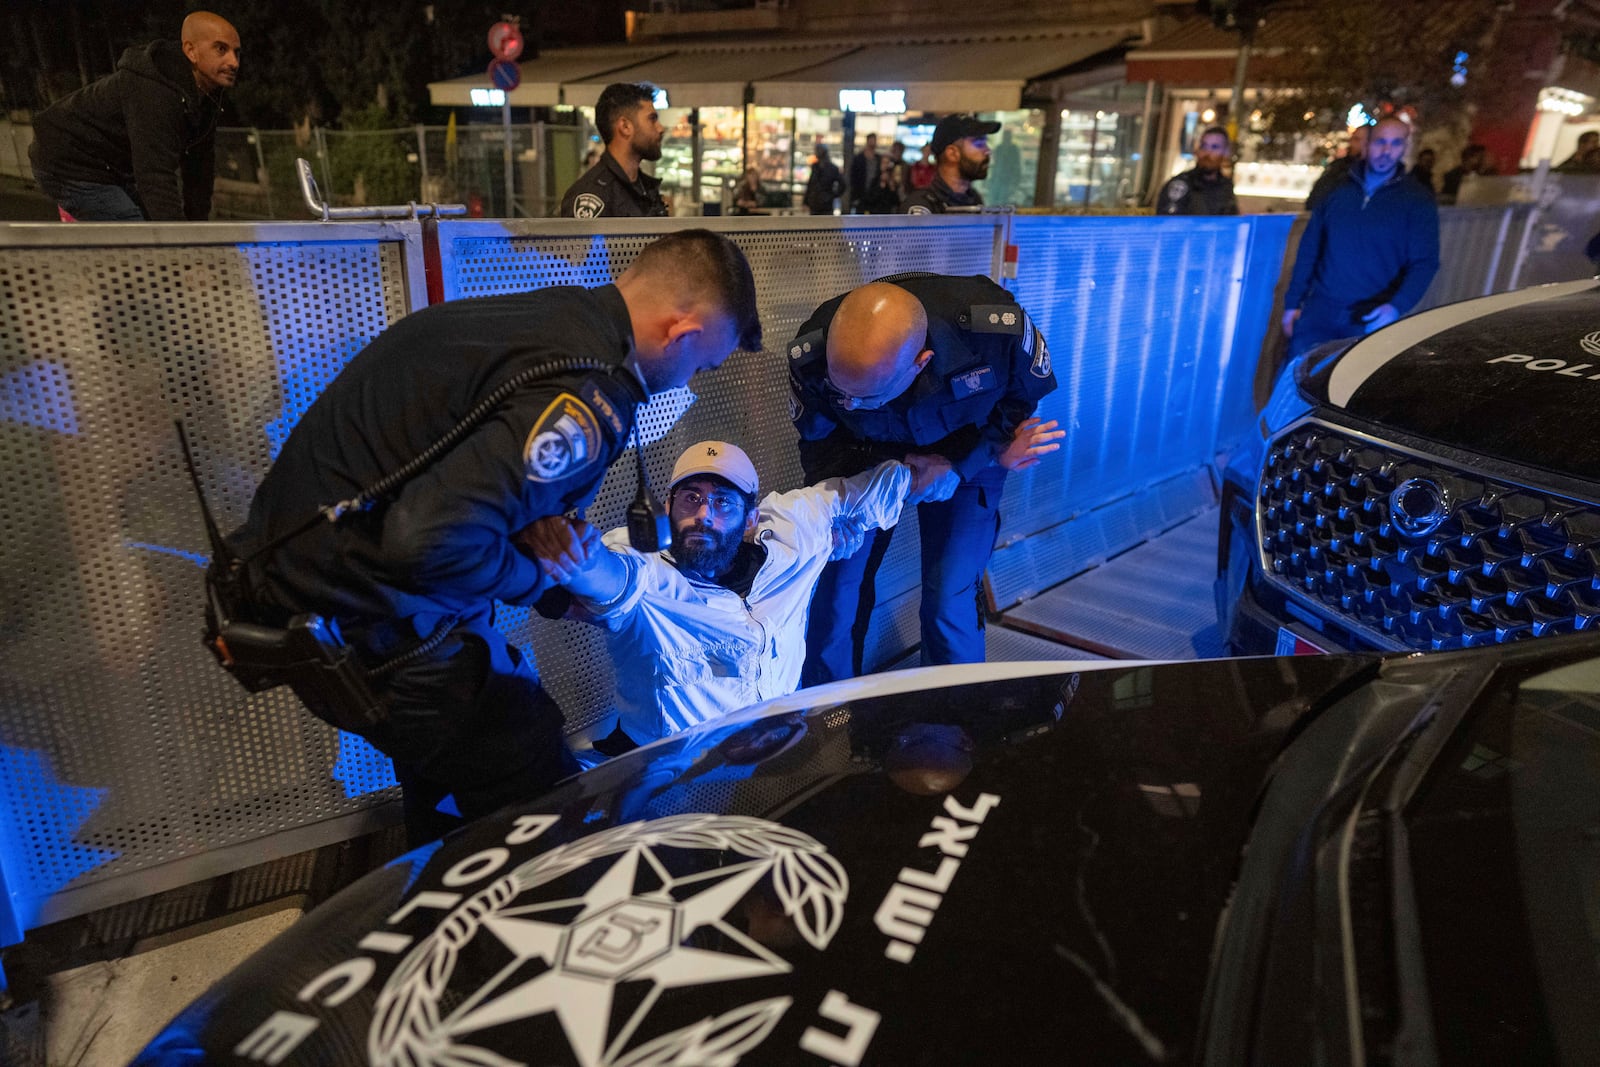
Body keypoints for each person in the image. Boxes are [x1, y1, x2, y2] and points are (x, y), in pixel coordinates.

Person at [220, 230, 761, 843]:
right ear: (681, 333)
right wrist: (536, 577)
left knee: (450, 779)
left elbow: (459, 488)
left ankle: (438, 889)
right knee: (537, 793)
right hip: (362, 620)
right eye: (703, 364)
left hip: (301, 584)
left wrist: (549, 590)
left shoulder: (550, 318)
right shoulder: (588, 395)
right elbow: (427, 543)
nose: (688, 381)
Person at [524, 440, 951, 748]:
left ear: (751, 517)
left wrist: (945, 471)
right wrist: (572, 554)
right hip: (665, 769)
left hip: (777, 747)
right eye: (690, 499)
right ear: (668, 506)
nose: (703, 516)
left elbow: (861, 492)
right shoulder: (645, 566)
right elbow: (607, 575)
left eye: (722, 502)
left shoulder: (791, 534)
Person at [789, 274, 1064, 684]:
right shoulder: (810, 351)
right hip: (862, 456)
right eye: (841, 391)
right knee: (836, 595)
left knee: (948, 596)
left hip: (969, 450)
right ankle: (832, 719)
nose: (849, 402)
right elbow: (819, 439)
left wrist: (970, 461)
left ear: (921, 362)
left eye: (866, 396)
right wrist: (832, 510)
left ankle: (949, 722)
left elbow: (1021, 395)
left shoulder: (993, 329)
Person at [27, 11, 239, 222]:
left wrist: (197, 233)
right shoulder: (156, 92)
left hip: (109, 167)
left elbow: (199, 171)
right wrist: (181, 247)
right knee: (137, 233)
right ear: (191, 51)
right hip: (67, 161)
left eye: (236, 52)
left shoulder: (207, 99)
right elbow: (155, 176)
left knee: (152, 227)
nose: (234, 62)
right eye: (221, 49)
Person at [1281, 116, 1440, 361]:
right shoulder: (1336, 189)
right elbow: (1310, 248)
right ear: (1367, 145)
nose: (1386, 151)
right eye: (1380, 142)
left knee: (1344, 394)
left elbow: (1425, 262)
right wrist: (1293, 302)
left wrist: (1397, 306)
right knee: (1293, 389)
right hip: (1318, 312)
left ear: (1405, 148)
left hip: (1369, 318)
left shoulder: (1417, 201)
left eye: (1396, 143)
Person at [558, 82, 668, 219]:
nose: (660, 128)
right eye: (652, 119)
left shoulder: (645, 189)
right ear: (625, 127)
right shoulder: (592, 195)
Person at [901, 114, 1000, 214]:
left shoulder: (974, 200)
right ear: (952, 153)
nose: (987, 151)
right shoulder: (923, 206)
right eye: (979, 144)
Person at [1155, 125, 1239, 215]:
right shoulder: (1181, 184)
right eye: (1204, 146)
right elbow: (1169, 223)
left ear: (1225, 152)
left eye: (1214, 147)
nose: (1207, 153)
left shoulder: (1225, 186)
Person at [1305, 123, 1367, 211]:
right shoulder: (1339, 166)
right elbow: (1319, 194)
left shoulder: (1368, 173)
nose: (1351, 143)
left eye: (1357, 139)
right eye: (1352, 138)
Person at [804, 145, 844, 215]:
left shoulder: (832, 168)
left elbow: (842, 185)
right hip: (815, 203)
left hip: (825, 204)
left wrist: (831, 196)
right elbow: (811, 184)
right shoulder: (815, 167)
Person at [989, 130, 1022, 206]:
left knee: (1004, 200)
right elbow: (995, 164)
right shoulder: (999, 148)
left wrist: (1015, 181)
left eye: (1007, 137)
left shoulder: (1014, 150)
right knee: (994, 199)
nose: (1006, 138)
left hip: (1008, 179)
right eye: (1005, 136)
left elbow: (1017, 166)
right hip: (997, 179)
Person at [849, 133, 881, 212]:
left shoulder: (878, 158)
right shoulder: (859, 158)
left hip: (874, 196)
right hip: (861, 195)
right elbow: (853, 177)